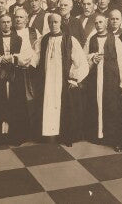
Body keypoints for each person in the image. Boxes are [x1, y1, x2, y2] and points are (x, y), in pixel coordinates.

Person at [33, 13, 89, 146]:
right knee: (47, 105)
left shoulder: (70, 40)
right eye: (51, 22)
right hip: (47, 81)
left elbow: (81, 62)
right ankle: (49, 135)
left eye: (56, 22)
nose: (53, 25)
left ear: (60, 23)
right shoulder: (43, 40)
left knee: (64, 107)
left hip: (63, 81)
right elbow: (34, 58)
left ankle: (65, 136)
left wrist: (74, 79)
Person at [0, 13, 34, 144]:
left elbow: (28, 55)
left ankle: (15, 135)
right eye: (3, 22)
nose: (6, 24)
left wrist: (13, 58)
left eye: (8, 21)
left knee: (15, 103)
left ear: (12, 23)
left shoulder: (20, 39)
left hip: (15, 77)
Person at [83, 14, 122, 151]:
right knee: (95, 105)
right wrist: (91, 58)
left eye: (101, 22)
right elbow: (83, 59)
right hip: (95, 80)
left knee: (111, 107)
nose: (98, 25)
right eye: (96, 23)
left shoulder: (115, 40)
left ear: (106, 22)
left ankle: (111, 138)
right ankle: (97, 135)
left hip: (111, 81)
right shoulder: (91, 39)